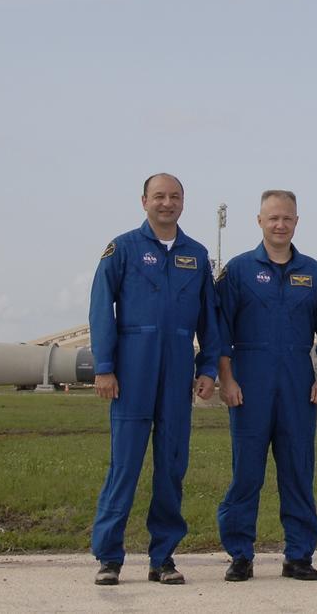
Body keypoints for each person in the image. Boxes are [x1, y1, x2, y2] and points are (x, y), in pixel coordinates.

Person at [89, 173, 220, 586]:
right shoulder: (123, 248)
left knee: (171, 466)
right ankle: (109, 556)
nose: (167, 203)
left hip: (178, 371)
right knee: (124, 466)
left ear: (184, 202)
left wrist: (209, 368)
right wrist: (104, 367)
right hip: (132, 371)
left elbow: (209, 319)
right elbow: (100, 309)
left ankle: (163, 557)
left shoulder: (196, 255)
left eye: (174, 196)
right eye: (159, 196)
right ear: (144, 201)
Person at [215, 190, 317, 582]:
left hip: (296, 385)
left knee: (297, 472)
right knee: (246, 474)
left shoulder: (312, 272)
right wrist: (227, 379)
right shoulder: (237, 271)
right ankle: (240, 555)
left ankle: (299, 555)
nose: (279, 224)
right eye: (272, 217)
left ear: (296, 222)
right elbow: (220, 332)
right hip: (250, 382)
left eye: (287, 218)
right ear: (259, 221)